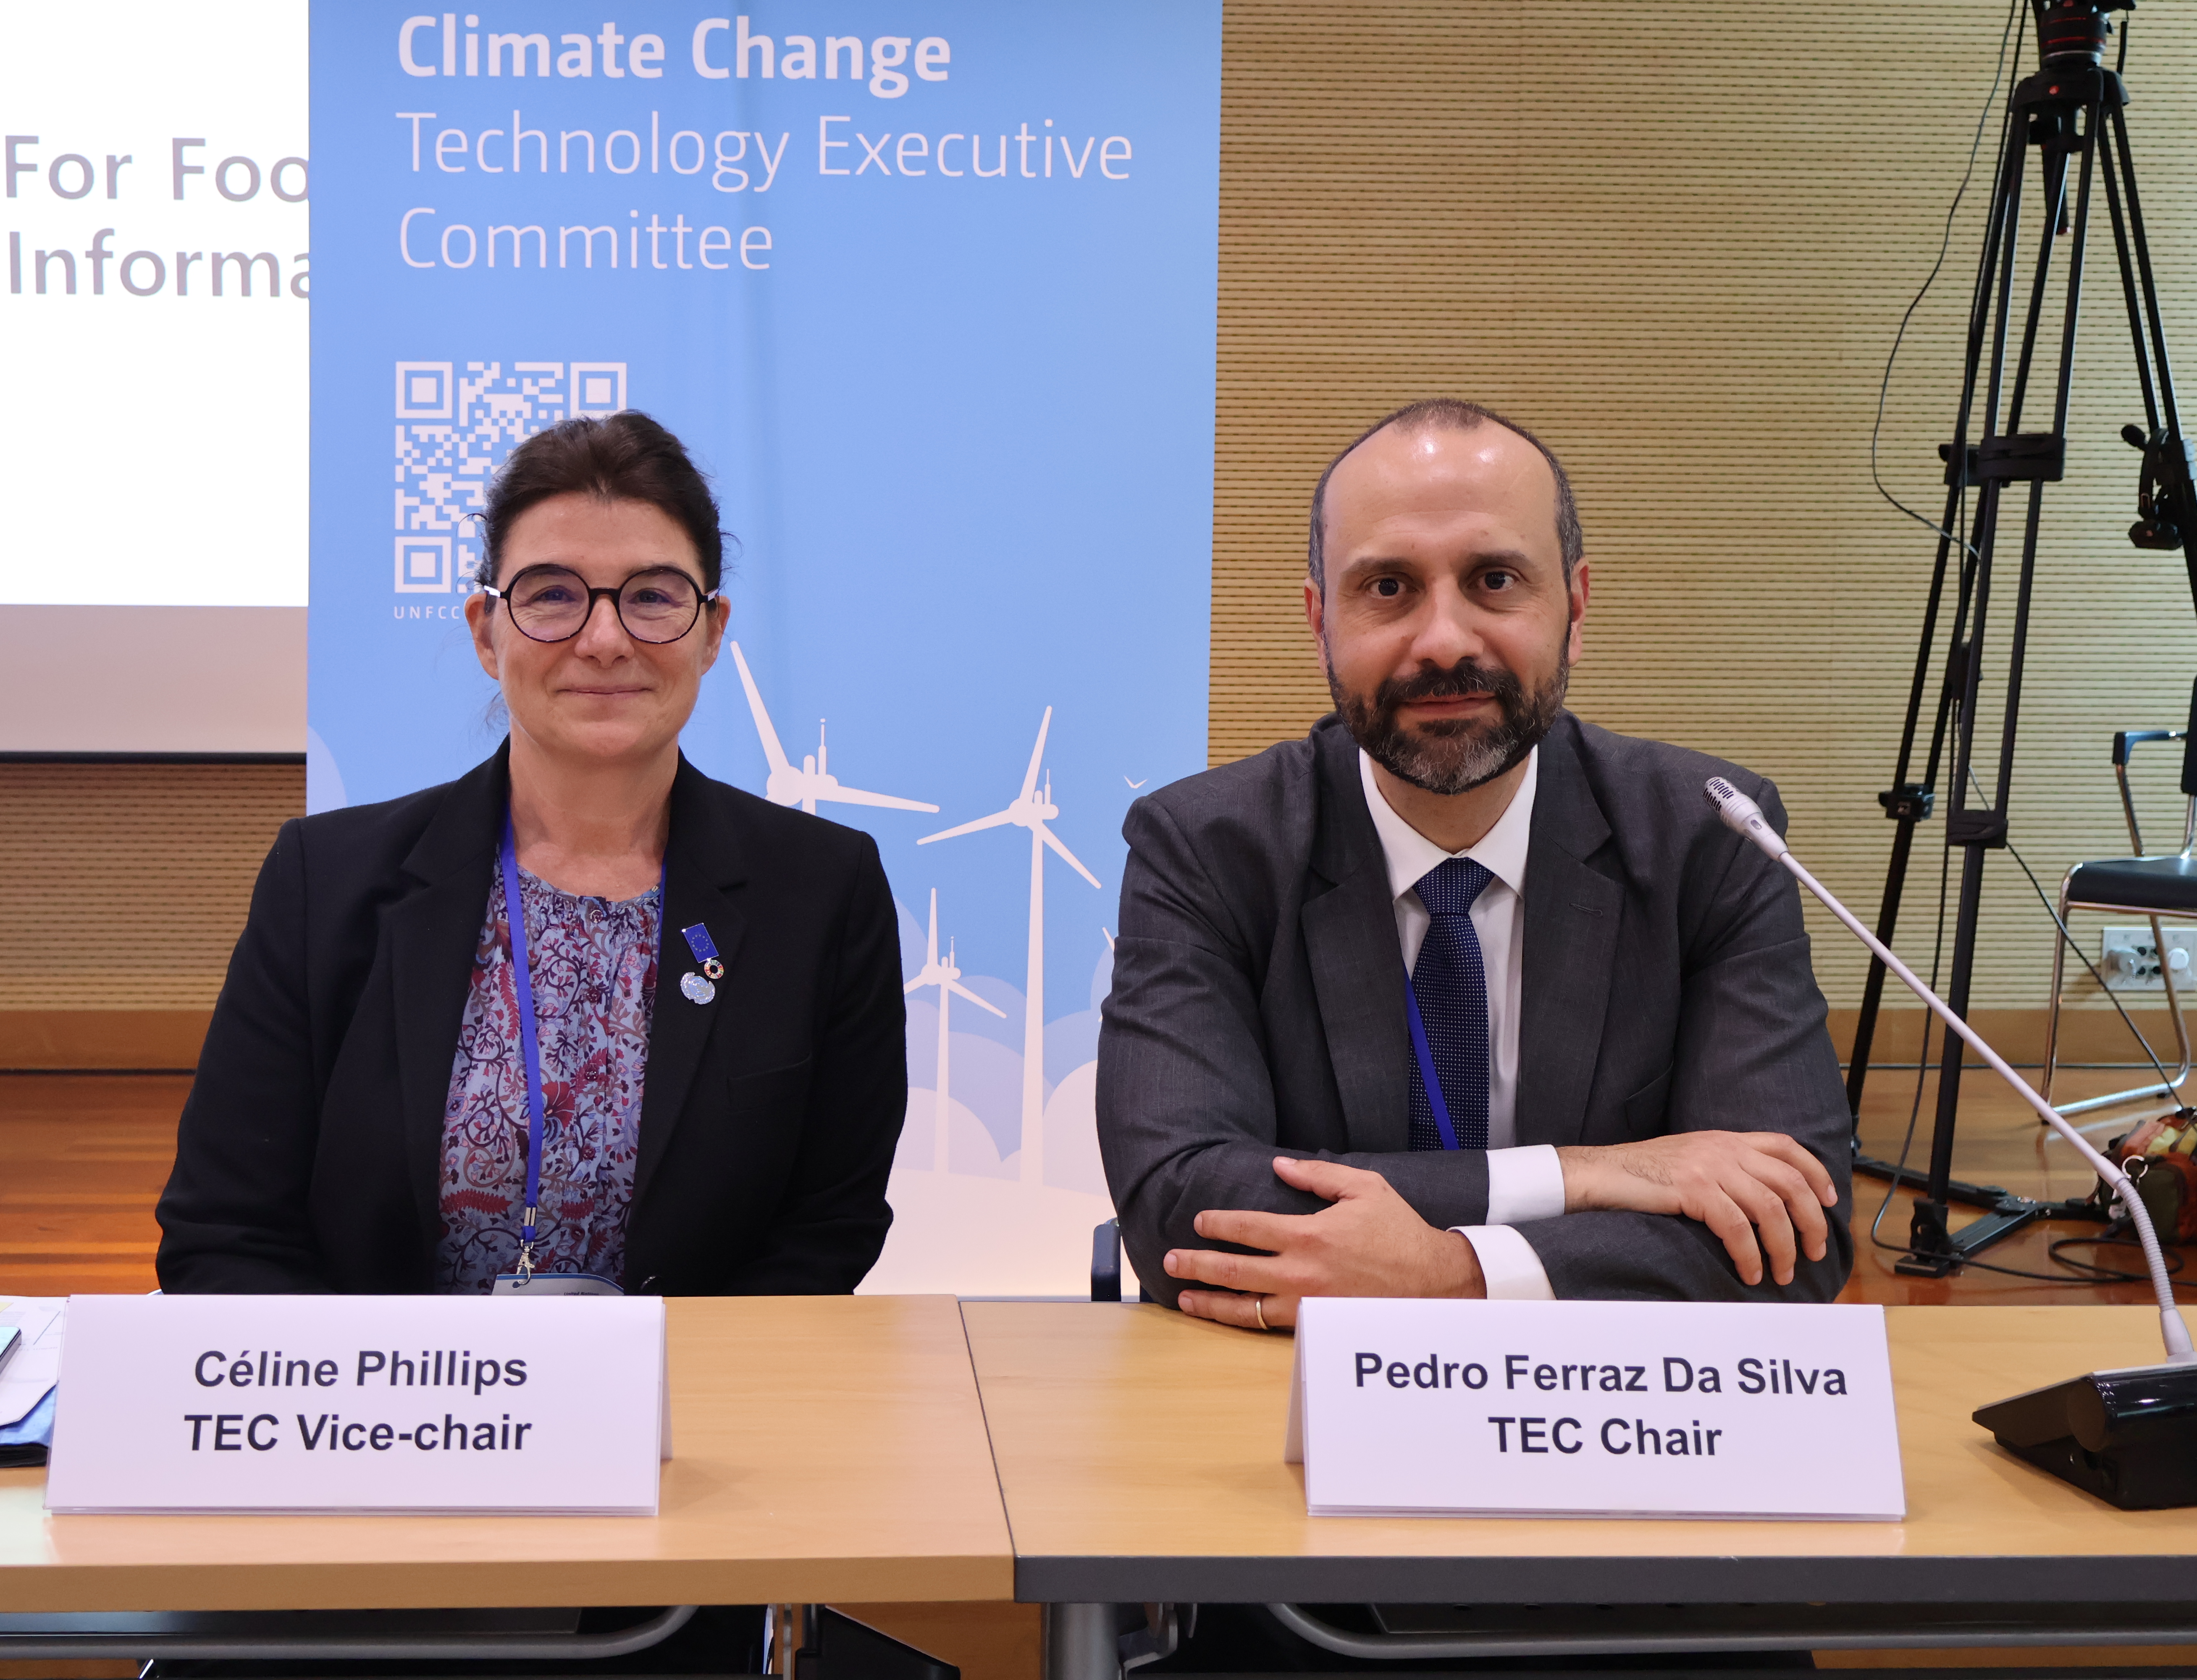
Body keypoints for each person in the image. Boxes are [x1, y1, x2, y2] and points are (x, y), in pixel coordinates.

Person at [1097, 399, 1853, 1323]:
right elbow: (1182, 1200)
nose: (1445, 639)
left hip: (1612, 1419)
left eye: (1495, 579)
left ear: (1574, 609)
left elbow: (1794, 1225)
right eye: (1388, 588)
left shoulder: (1710, 839)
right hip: (1284, 1410)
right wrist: (1593, 1176)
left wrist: (1453, 1271)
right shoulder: (1206, 847)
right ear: (1318, 620)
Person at [157, 412, 908, 1295]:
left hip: (692, 1414)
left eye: (653, 596)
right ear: (487, 631)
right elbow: (225, 1230)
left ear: (711, 632)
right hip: (389, 1415)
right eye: (553, 594)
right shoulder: (328, 882)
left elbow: (827, 1230)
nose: (603, 638)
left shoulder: (823, 891)